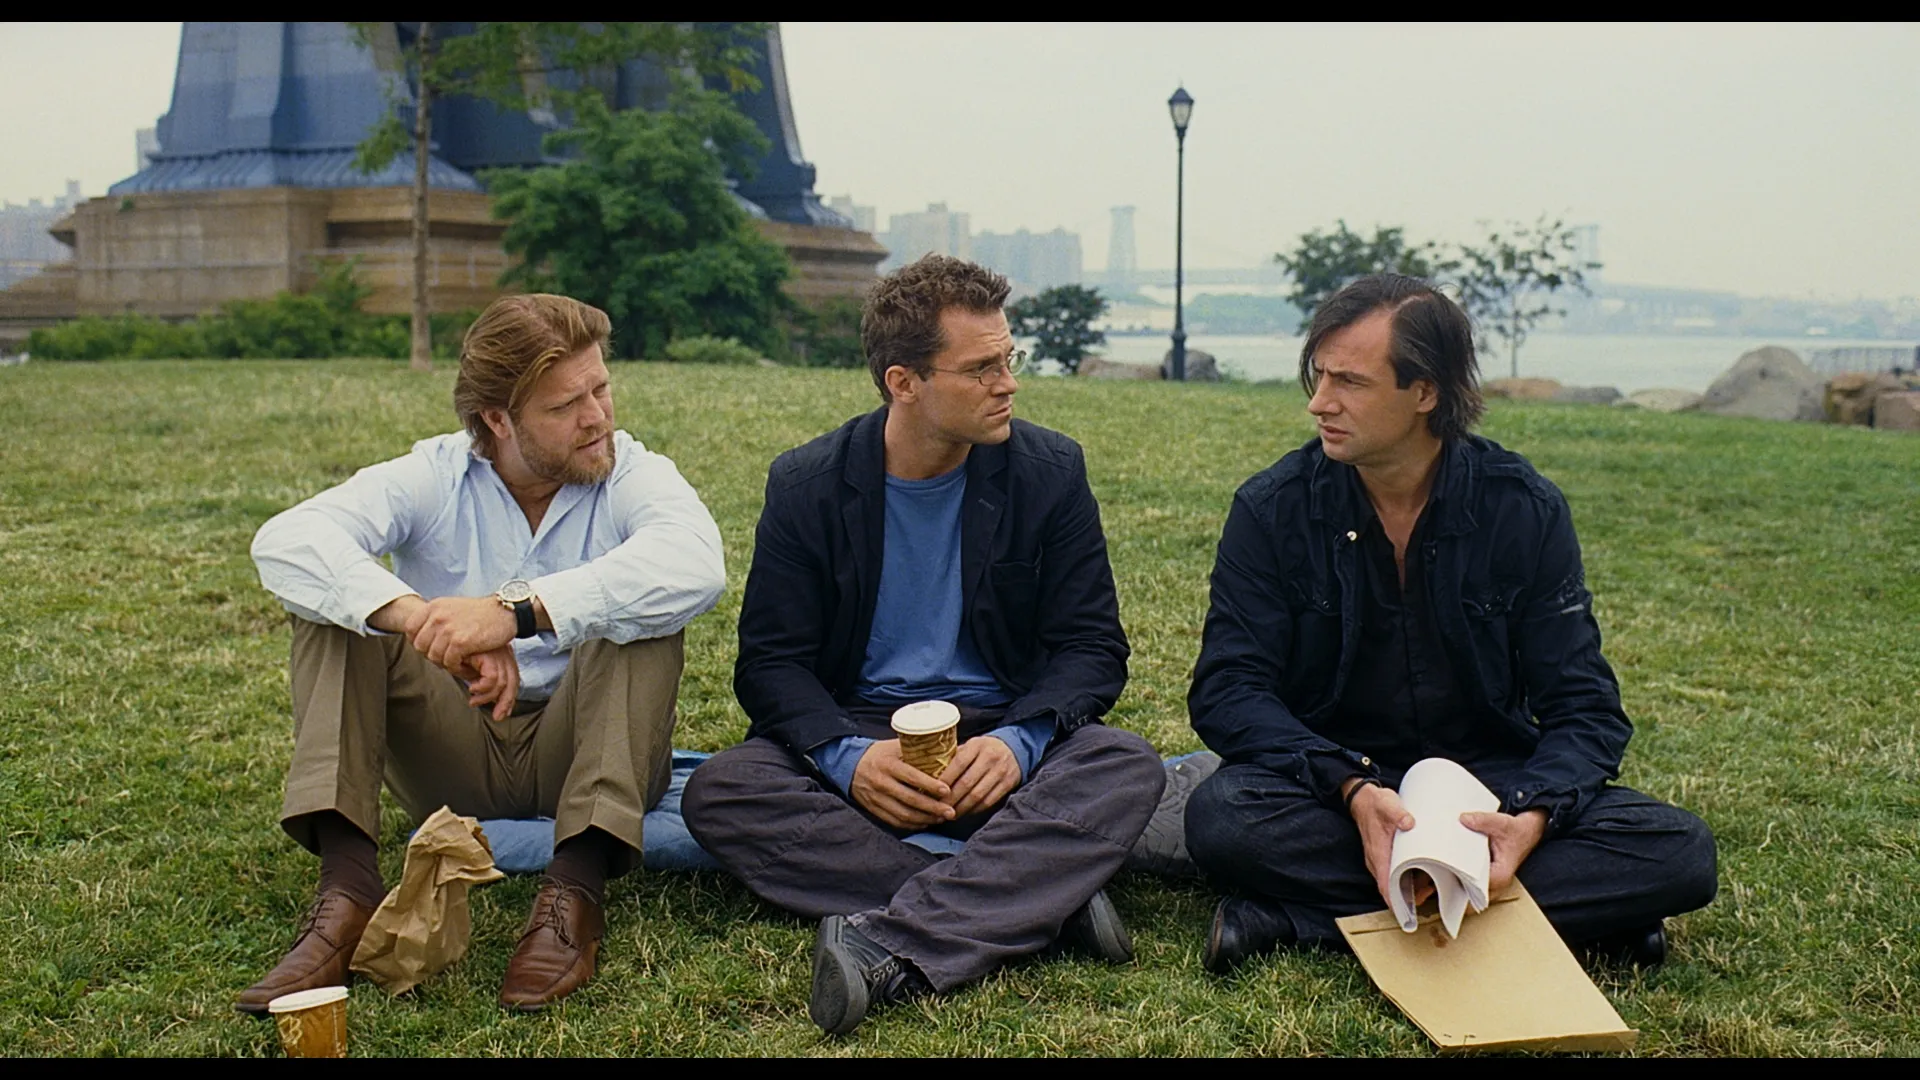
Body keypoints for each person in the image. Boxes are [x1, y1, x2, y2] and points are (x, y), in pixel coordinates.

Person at [682, 255, 1164, 1035]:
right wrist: (847, 760)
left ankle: (891, 938)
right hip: (864, 733)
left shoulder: (1050, 472)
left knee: (1123, 764)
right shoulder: (807, 484)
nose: (1007, 382)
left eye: (1009, 359)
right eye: (980, 369)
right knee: (722, 790)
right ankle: (1044, 899)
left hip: (995, 742)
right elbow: (771, 664)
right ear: (903, 381)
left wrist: (1020, 742)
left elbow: (1091, 647)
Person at [1183, 273, 1717, 974]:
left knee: (1681, 851)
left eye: (1350, 382)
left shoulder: (1522, 508)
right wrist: (1352, 789)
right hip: (1342, 787)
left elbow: (1585, 708)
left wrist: (1531, 818)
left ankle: (1300, 922)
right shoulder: (1271, 508)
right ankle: (1580, 924)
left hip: (1491, 788)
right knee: (1221, 817)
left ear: (1425, 392)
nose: (1320, 403)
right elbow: (1228, 691)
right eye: (1317, 376)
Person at [238, 294, 724, 1013]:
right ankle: (345, 889)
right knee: (336, 610)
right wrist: (423, 622)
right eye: (566, 405)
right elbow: (285, 539)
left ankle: (574, 892)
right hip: (454, 747)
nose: (597, 417)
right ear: (499, 420)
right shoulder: (433, 475)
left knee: (641, 613)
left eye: (601, 388)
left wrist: (513, 615)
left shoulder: (629, 471)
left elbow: (695, 564)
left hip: (586, 750)